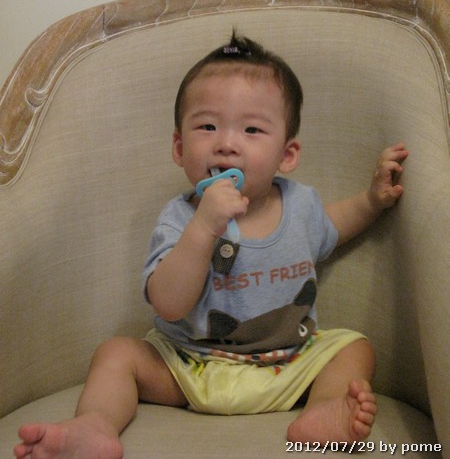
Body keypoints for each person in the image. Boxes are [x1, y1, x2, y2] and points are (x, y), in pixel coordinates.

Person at [13, 32, 408, 459]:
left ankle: (324, 410)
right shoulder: (180, 217)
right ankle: (95, 424)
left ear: (287, 154)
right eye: (207, 126)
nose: (226, 143)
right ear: (179, 147)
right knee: (116, 354)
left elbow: (333, 225)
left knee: (354, 348)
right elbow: (168, 305)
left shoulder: (301, 205)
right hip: (190, 367)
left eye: (252, 129)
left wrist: (372, 201)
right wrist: (204, 226)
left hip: (289, 366)